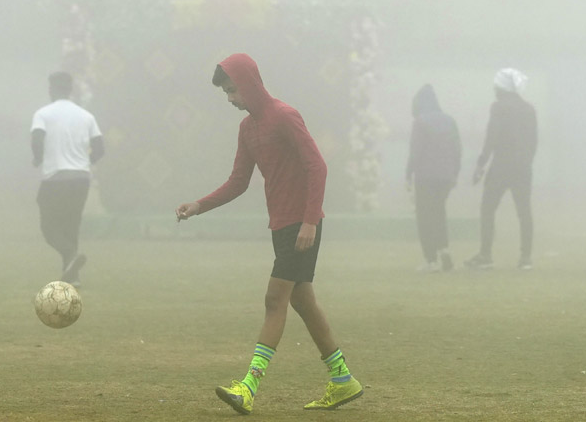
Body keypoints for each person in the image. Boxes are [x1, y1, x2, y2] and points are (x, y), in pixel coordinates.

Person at [175, 53, 362, 414]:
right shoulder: (248, 129)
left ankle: (248, 387)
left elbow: (317, 167)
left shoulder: (285, 116)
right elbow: (238, 182)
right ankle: (342, 381)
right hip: (281, 227)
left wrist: (310, 221)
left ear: (248, 84)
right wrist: (199, 205)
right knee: (303, 301)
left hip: (300, 226)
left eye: (232, 90)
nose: (230, 99)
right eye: (226, 93)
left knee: (274, 300)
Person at [31, 72, 104, 288]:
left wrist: (38, 158)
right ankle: (73, 276)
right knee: (71, 226)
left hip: (55, 179)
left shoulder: (43, 114)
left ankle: (70, 257)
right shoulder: (86, 116)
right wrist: (84, 160)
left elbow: (37, 139)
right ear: (70, 89)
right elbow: (99, 148)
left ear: (51, 89)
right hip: (81, 179)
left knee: (49, 227)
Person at [465, 68, 538, 270]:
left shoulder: (498, 107)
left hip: (501, 166)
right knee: (524, 211)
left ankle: (486, 254)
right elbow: (534, 141)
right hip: (523, 167)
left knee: (487, 208)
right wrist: (526, 162)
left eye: (496, 87)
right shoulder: (529, 109)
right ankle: (525, 258)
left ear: (502, 88)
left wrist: (481, 164)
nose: (494, 90)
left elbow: (492, 137)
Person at [405, 84, 462, 272]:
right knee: (439, 213)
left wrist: (408, 174)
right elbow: (457, 150)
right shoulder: (449, 120)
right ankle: (444, 250)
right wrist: (454, 174)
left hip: (425, 177)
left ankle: (431, 260)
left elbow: (416, 152)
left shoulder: (420, 122)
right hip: (446, 176)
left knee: (424, 216)